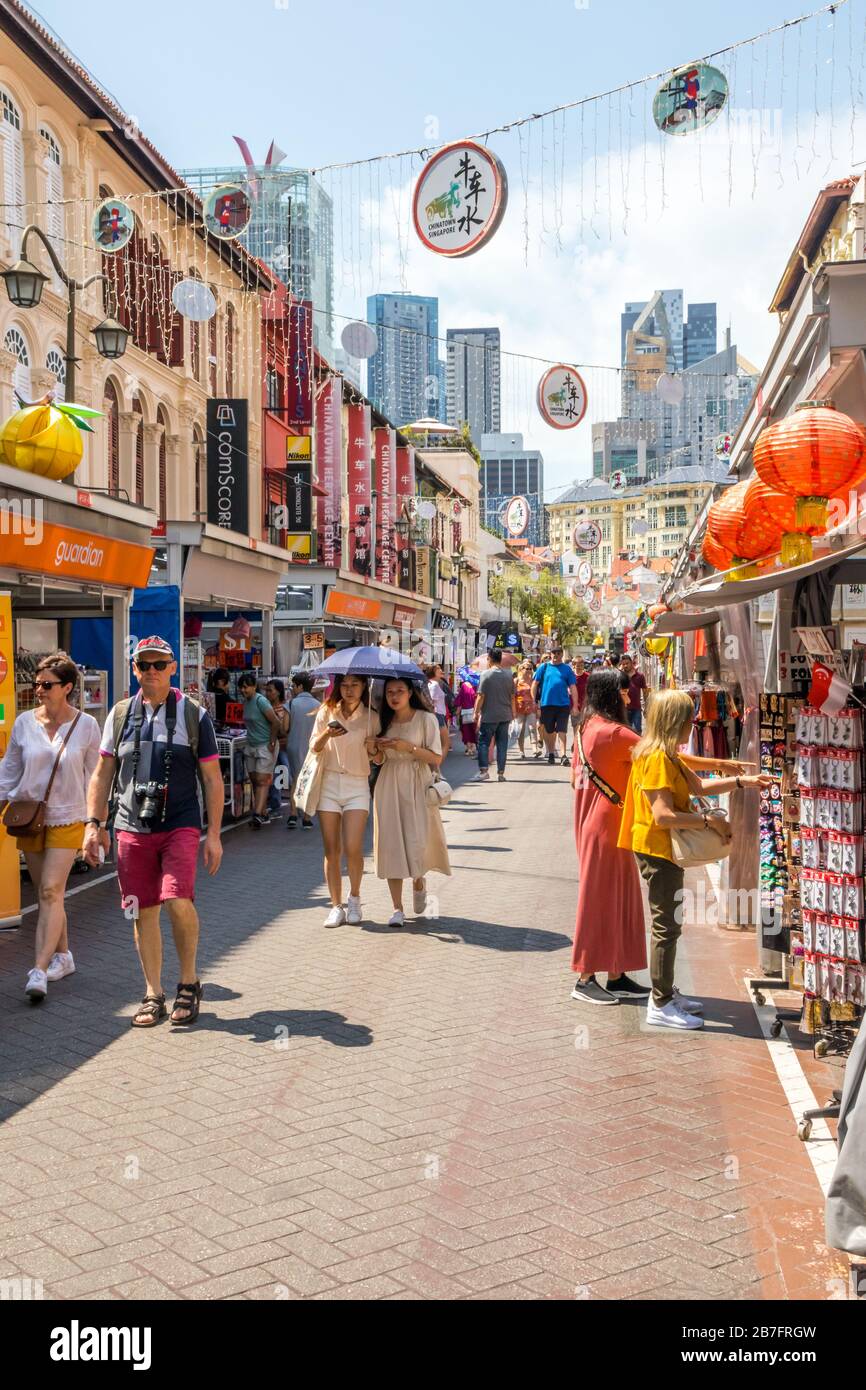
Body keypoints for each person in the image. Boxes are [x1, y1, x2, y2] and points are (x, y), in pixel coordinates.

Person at [84, 636, 224, 1028]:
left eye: (159, 665)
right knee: (142, 910)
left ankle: (189, 981)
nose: (151, 671)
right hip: (131, 825)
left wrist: (213, 834)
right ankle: (152, 993)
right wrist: (93, 825)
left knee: (177, 899)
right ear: (134, 669)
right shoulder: (119, 715)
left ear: (173, 668)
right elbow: (102, 773)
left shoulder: (193, 715)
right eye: (143, 665)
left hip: (179, 822)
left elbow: (212, 779)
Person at [617, 688, 769, 1030]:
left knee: (669, 923)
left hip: (661, 848)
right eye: (689, 718)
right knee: (665, 926)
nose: (694, 723)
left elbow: (699, 788)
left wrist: (743, 782)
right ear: (675, 721)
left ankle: (667, 991)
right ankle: (660, 1002)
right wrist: (708, 821)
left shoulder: (665, 754)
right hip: (657, 849)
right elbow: (663, 815)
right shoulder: (657, 759)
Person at [0, 652, 101, 1002]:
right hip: (30, 817)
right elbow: (9, 770)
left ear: (68, 687)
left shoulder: (86, 726)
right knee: (49, 893)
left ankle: (39, 970)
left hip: (69, 816)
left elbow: (95, 778)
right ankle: (64, 955)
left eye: (46, 684)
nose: (38, 689)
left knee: (48, 891)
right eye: (36, 683)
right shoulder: (24, 723)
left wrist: (95, 824)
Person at [570, 670, 649, 1005]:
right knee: (600, 900)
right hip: (608, 825)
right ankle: (585, 978)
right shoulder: (614, 733)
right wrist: (727, 770)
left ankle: (616, 974)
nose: (628, 696)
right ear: (612, 694)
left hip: (596, 822)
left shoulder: (585, 729)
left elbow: (575, 781)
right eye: (623, 690)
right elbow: (663, 758)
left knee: (617, 897)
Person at [369, 677, 450, 927]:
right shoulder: (382, 720)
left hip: (418, 781)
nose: (394, 696)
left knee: (417, 841)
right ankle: (397, 908)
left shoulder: (426, 719)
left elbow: (436, 756)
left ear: (410, 693)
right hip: (388, 783)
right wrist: (374, 750)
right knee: (390, 843)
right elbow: (380, 760)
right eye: (390, 692)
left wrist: (408, 747)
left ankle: (418, 879)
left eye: (400, 691)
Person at [309, 674, 379, 927]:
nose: (349, 690)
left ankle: (355, 898)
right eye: (345, 685)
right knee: (331, 849)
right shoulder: (327, 711)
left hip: (357, 784)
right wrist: (328, 734)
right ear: (338, 687)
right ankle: (335, 905)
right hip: (328, 783)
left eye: (355, 685)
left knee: (353, 847)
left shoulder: (372, 716)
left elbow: (379, 757)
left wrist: (374, 748)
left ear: (363, 688)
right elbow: (314, 747)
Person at [238, 672, 281, 829]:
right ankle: (262, 812)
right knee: (256, 780)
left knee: (262, 780)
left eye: (246, 687)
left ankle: (256, 815)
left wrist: (271, 741)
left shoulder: (260, 701)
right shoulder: (246, 702)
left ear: (254, 686)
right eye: (241, 688)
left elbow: (275, 722)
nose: (243, 690)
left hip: (265, 746)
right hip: (251, 746)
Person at [474, 649, 516, 782]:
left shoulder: (486, 674)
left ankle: (484, 770)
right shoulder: (509, 676)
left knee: (484, 743)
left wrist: (476, 712)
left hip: (489, 715)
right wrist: (513, 712)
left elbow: (481, 696)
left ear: (490, 659)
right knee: (502, 743)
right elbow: (512, 697)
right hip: (505, 714)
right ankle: (501, 772)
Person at [532, 646, 578, 766]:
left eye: (558, 653)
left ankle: (563, 755)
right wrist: (534, 702)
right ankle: (551, 753)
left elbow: (573, 687)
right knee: (549, 730)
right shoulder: (544, 667)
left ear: (562, 655)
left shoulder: (567, 670)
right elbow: (535, 684)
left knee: (562, 730)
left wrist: (575, 705)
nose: (556, 655)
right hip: (546, 704)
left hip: (563, 704)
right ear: (550, 654)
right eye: (554, 653)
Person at [285, 671, 319, 829]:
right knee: (310, 780)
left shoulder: (291, 704)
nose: (292, 688)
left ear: (299, 686)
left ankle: (292, 814)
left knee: (295, 779)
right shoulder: (319, 705)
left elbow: (285, 727)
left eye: (293, 685)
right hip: (313, 748)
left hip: (294, 745)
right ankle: (306, 817)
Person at [265, 679, 291, 821]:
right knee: (273, 775)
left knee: (281, 775)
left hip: (281, 747)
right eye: (266, 690)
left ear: (278, 692)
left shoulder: (285, 709)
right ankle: (274, 803)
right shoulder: (265, 707)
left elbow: (286, 730)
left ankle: (278, 805)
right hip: (270, 746)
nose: (267, 693)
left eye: (270, 690)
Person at [424, 663, 451, 763]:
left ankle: (435, 769)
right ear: (433, 671)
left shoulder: (431, 683)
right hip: (437, 715)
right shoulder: (434, 685)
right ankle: (436, 767)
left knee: (437, 744)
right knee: (445, 743)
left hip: (437, 715)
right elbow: (431, 703)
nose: (441, 670)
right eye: (438, 668)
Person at [514, 660, 541, 759]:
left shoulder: (534, 681)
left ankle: (535, 750)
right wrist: (512, 710)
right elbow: (512, 696)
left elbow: (537, 696)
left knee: (532, 728)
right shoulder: (516, 681)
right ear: (521, 669)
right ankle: (521, 751)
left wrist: (538, 708)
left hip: (531, 707)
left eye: (530, 668)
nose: (529, 670)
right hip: (519, 708)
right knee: (520, 730)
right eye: (527, 668)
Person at [619, 653, 647, 734]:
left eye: (627, 663)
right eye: (623, 664)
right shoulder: (620, 676)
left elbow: (645, 692)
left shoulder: (640, 676)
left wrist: (646, 706)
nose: (625, 666)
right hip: (624, 709)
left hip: (636, 708)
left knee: (637, 731)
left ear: (631, 663)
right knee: (626, 731)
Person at [455, 672, 479, 757]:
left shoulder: (464, 686)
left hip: (465, 712)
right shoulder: (476, 685)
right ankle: (473, 747)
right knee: (474, 730)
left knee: (466, 731)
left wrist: (457, 711)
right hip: (475, 711)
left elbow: (459, 699)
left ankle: (469, 749)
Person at [569, 656, 589, 754]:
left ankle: (578, 744)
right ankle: (577, 744)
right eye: (578, 665)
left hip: (585, 706)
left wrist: (586, 706)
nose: (580, 667)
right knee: (576, 727)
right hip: (573, 706)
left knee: (584, 728)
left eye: (582, 665)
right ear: (573, 665)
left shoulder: (587, 676)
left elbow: (588, 693)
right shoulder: (570, 676)